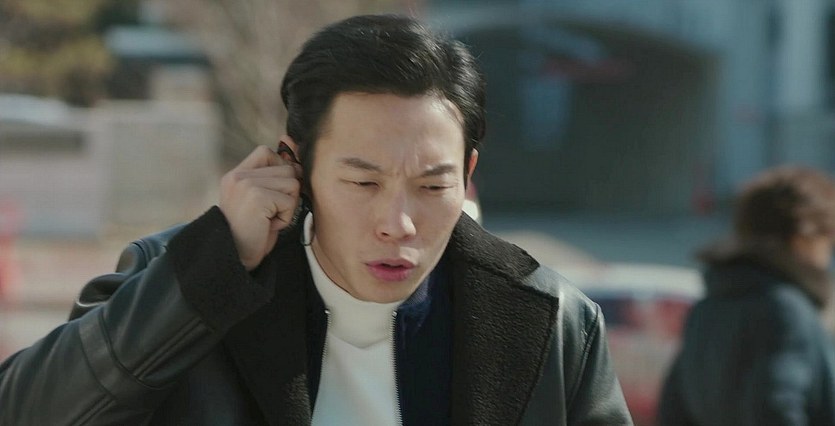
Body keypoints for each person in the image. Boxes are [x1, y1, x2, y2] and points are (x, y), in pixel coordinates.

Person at [0, 14, 630, 425]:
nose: (398, 223)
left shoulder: (553, 323)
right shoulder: (184, 281)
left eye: (432, 185)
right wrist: (211, 272)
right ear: (293, 165)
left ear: (467, 173)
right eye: (363, 182)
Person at [658, 166, 835, 425]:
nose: (827, 258)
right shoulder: (786, 310)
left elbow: (672, 411)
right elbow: (776, 408)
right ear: (803, 239)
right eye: (828, 241)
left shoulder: (707, 308)